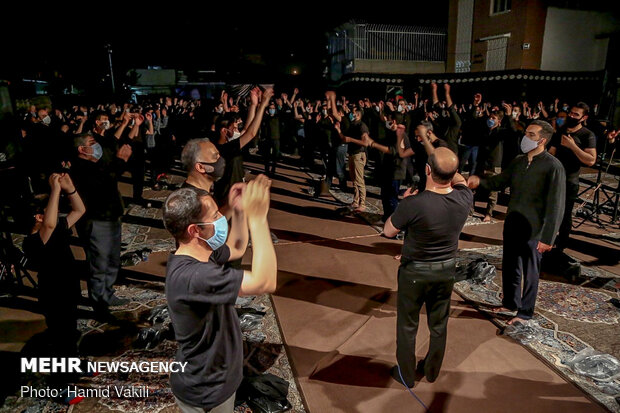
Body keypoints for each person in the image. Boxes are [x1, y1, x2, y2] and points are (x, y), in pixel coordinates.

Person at [163, 175, 277, 413]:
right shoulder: (194, 276)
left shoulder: (200, 252)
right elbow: (265, 281)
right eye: (215, 216)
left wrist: (240, 212)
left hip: (216, 375)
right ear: (195, 230)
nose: (220, 218)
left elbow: (236, 247)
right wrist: (258, 218)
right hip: (207, 389)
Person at [383, 147, 472, 388]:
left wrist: (403, 204)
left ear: (427, 170)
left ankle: (406, 375)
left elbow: (388, 231)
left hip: (415, 272)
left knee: (407, 326)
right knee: (439, 325)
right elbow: (460, 180)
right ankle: (431, 371)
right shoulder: (465, 197)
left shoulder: (414, 203)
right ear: (453, 173)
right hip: (445, 270)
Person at [468, 120, 566, 324]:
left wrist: (548, 236)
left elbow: (556, 205)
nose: (525, 137)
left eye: (531, 134)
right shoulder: (518, 161)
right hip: (513, 222)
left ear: (542, 140)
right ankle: (510, 302)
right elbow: (499, 181)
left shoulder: (553, 166)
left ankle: (525, 312)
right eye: (526, 133)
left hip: (535, 228)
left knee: (531, 271)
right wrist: (480, 181)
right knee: (511, 265)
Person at [71, 132, 133, 321]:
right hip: (96, 221)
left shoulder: (95, 164)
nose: (96, 146)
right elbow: (106, 179)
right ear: (82, 149)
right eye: (92, 143)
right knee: (99, 264)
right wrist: (121, 160)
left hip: (110, 217)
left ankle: (108, 293)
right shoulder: (80, 168)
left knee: (112, 259)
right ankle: (99, 305)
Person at [23, 173, 86, 358]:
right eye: (51, 209)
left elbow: (79, 210)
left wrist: (70, 189)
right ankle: (63, 375)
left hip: (68, 288)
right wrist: (55, 190)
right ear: (38, 216)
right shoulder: (32, 241)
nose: (56, 213)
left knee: (69, 331)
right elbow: (48, 226)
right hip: (53, 294)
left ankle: (71, 362)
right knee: (61, 335)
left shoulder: (57, 227)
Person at [547, 102, 597, 269]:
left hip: (570, 181)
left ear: (584, 117)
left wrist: (573, 146)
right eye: (571, 113)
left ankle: (560, 248)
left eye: (576, 115)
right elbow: (551, 153)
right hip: (554, 178)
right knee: (549, 211)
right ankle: (546, 242)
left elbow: (590, 160)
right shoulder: (561, 131)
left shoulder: (587, 135)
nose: (572, 116)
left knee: (565, 214)